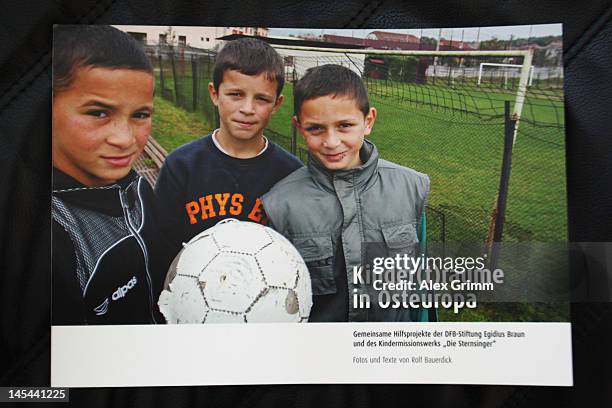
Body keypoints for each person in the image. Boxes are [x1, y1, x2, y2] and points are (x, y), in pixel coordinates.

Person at [262, 64, 431, 322]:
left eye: (344, 126)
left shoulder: (410, 188)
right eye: (315, 128)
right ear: (299, 127)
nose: (331, 142)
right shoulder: (280, 205)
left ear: (368, 121)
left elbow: (419, 288)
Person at [52, 25, 165, 324]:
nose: (125, 139)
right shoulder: (53, 240)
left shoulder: (139, 189)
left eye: (140, 115)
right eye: (99, 113)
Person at [154, 38, 302, 258]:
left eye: (261, 99)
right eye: (236, 95)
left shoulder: (290, 173)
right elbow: (160, 247)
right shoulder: (181, 165)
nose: (247, 109)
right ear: (215, 94)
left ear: (276, 105)